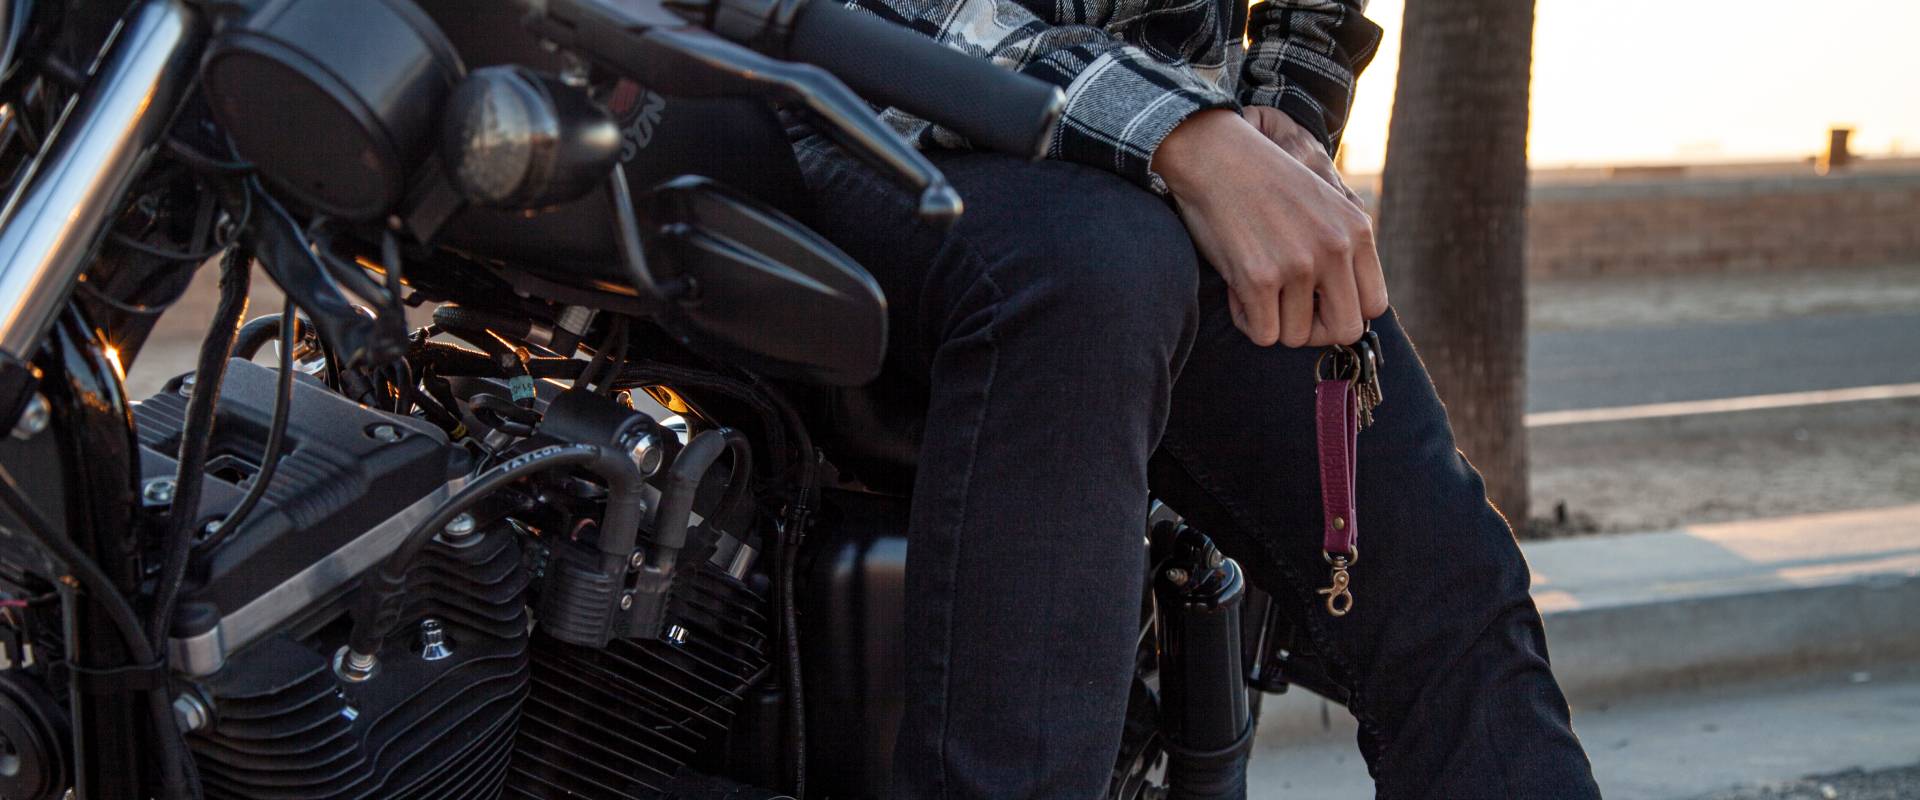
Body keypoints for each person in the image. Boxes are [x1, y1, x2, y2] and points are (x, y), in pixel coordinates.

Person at [792, 0, 1602, 795]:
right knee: (1097, 267)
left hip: (1179, 171)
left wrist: (1284, 113)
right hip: (868, 129)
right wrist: (1180, 132)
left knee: (1445, 586)